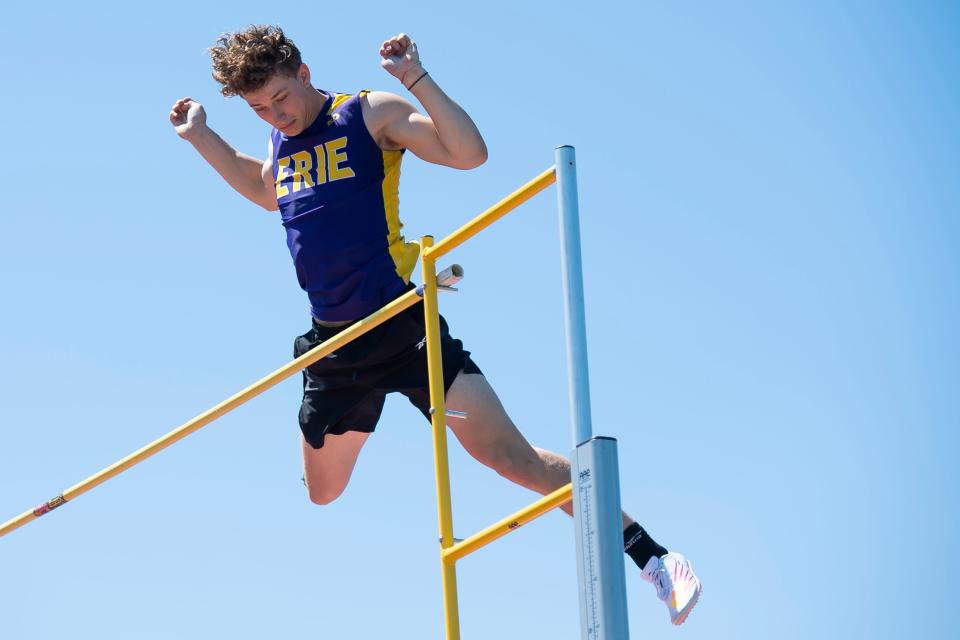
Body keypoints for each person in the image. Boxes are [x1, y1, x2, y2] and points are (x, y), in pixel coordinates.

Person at [169, 26, 700, 625]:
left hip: (401, 326)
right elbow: (264, 188)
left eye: (280, 99)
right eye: (260, 109)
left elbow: (470, 154)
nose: (277, 115)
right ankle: (362, 403)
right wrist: (201, 136)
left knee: (510, 457)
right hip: (334, 347)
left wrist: (414, 78)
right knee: (322, 492)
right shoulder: (280, 143)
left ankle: (654, 557)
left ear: (305, 71)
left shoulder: (367, 114)